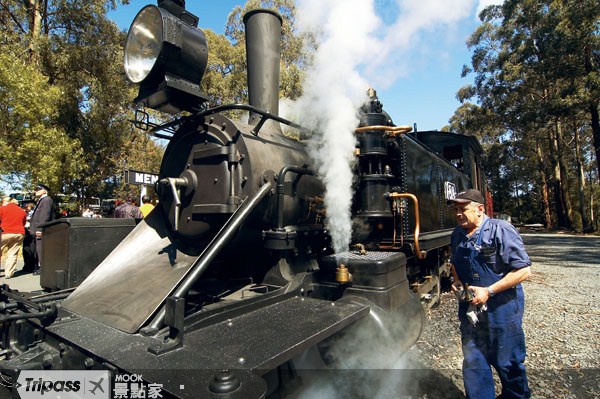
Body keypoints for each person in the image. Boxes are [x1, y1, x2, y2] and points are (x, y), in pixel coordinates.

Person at [449, 188, 532, 399]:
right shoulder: (457, 233)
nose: (459, 214)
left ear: (480, 209)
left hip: (502, 308)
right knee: (474, 359)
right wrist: (457, 280)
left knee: (508, 361)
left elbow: (523, 271)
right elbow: (454, 262)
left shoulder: (501, 230)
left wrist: (489, 290)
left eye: (463, 209)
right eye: (456, 209)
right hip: (470, 308)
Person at [29, 183, 55, 276]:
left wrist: (40, 229)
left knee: (41, 249)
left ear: (44, 190)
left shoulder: (46, 200)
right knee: (38, 248)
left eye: (37, 189)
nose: (35, 191)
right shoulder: (41, 200)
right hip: (38, 229)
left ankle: (43, 267)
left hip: (41, 230)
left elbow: (44, 215)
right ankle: (41, 266)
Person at [0, 197, 27, 279]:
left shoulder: (3, 209)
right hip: (19, 233)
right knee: (13, 253)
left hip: (5, 232)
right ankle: (9, 273)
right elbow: (24, 222)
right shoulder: (22, 211)